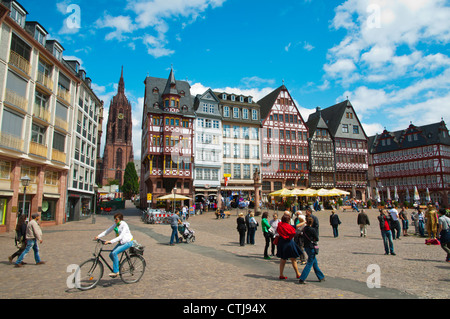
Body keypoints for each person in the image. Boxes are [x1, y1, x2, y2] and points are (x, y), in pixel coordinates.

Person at [95, 213, 134, 277]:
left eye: (116, 219)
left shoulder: (124, 225)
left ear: (120, 219)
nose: (115, 220)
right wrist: (98, 236)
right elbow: (107, 231)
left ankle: (116, 272)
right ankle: (119, 267)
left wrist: (110, 241)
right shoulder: (116, 224)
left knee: (114, 253)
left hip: (128, 242)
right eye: (114, 219)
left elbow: (121, 236)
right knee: (111, 254)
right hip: (122, 242)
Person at [298, 216, 325, 284]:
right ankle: (302, 278)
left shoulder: (304, 229)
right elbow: (317, 238)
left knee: (314, 262)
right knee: (309, 263)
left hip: (306, 247)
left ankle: (321, 276)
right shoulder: (312, 230)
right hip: (311, 247)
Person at [276, 214, 301, 280]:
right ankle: (297, 273)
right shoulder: (288, 226)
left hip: (282, 242)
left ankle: (281, 274)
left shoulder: (280, 225)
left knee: (283, 259)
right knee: (293, 259)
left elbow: (278, 230)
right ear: (288, 220)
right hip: (289, 242)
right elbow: (293, 233)